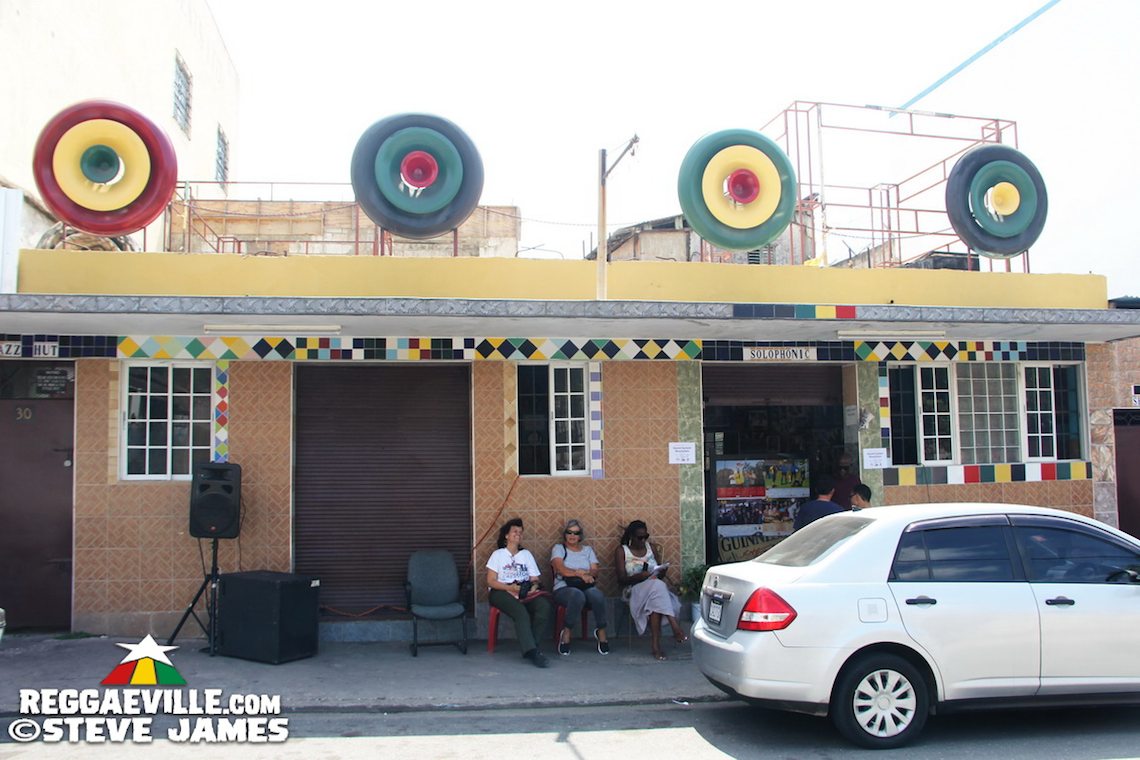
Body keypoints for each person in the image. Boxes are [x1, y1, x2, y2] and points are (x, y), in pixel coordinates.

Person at [486, 517, 553, 668]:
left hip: (524, 591)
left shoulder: (526, 555)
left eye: (520, 532)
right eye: (514, 531)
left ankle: (532, 646)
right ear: (506, 535)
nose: (518, 534)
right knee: (520, 612)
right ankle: (532, 651)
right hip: (501, 591)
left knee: (543, 606)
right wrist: (510, 588)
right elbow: (490, 581)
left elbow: (535, 579)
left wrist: (532, 588)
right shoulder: (498, 554)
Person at [614, 520, 685, 661]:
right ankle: (674, 626)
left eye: (645, 537)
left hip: (654, 589)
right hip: (633, 589)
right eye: (639, 537)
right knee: (658, 586)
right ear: (631, 537)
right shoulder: (622, 551)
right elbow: (621, 579)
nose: (643, 540)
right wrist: (638, 576)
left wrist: (662, 571)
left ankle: (656, 646)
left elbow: (659, 574)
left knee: (655, 596)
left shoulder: (651, 548)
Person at [550, 519, 610, 655]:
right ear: (565, 534)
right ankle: (566, 632)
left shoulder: (588, 550)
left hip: (585, 586)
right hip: (563, 587)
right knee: (577, 595)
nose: (572, 536)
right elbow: (560, 569)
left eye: (576, 533)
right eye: (569, 532)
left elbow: (595, 570)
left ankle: (601, 631)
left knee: (597, 595)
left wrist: (588, 575)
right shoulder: (559, 549)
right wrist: (580, 574)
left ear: (580, 536)